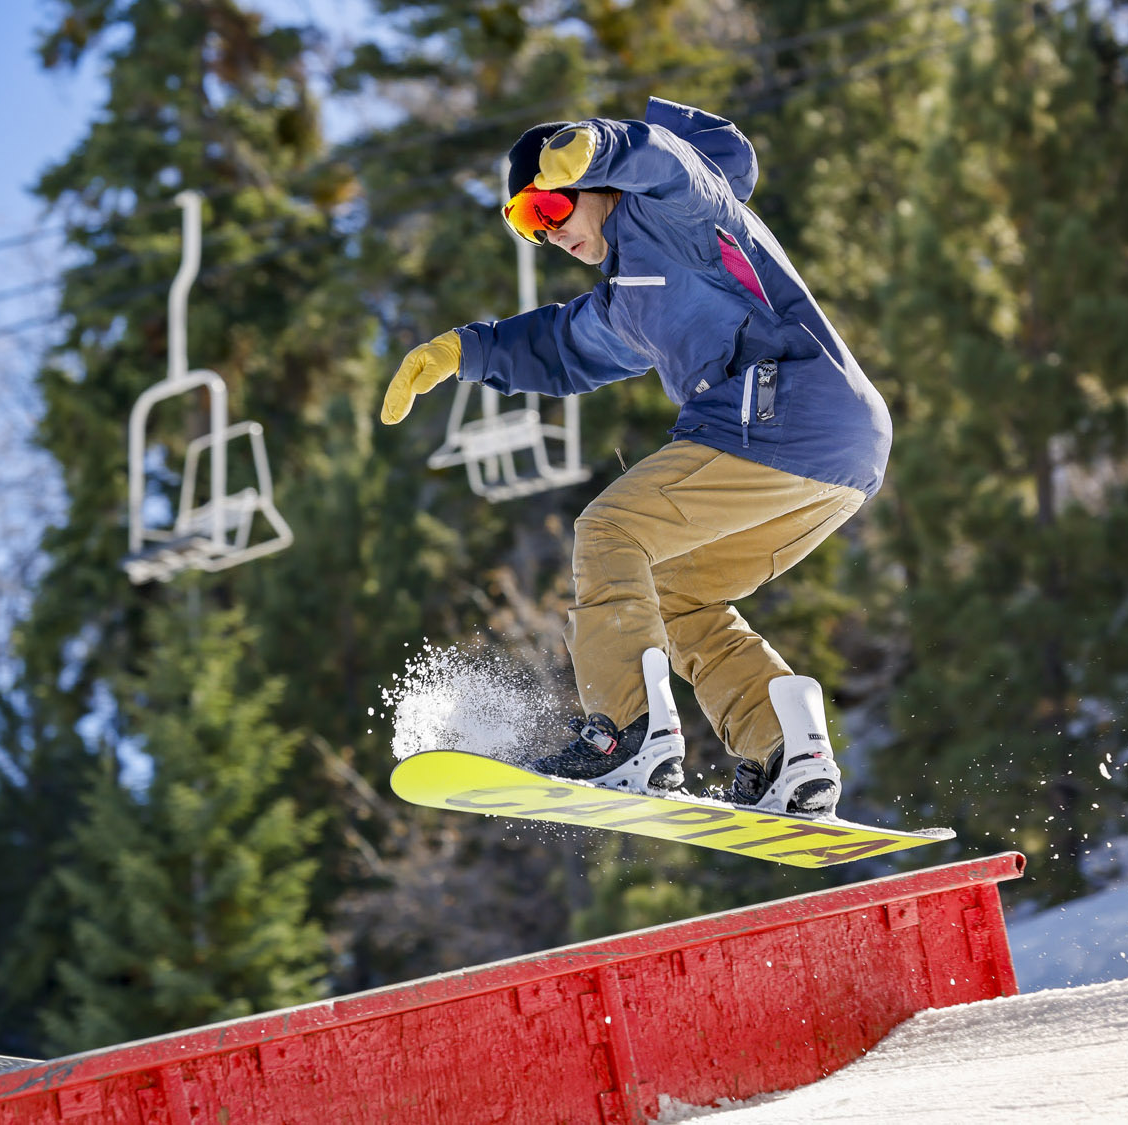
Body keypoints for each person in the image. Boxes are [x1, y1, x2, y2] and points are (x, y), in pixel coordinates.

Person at [378, 98, 890, 815]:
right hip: (834, 454)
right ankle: (787, 753)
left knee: (611, 529)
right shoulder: (627, 299)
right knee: (676, 592)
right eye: (528, 225)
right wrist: (466, 351)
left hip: (789, 412)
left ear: (593, 179)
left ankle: (626, 734)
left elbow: (666, 160)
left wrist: (597, 143)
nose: (549, 233)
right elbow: (561, 348)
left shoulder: (675, 212)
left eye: (550, 206)